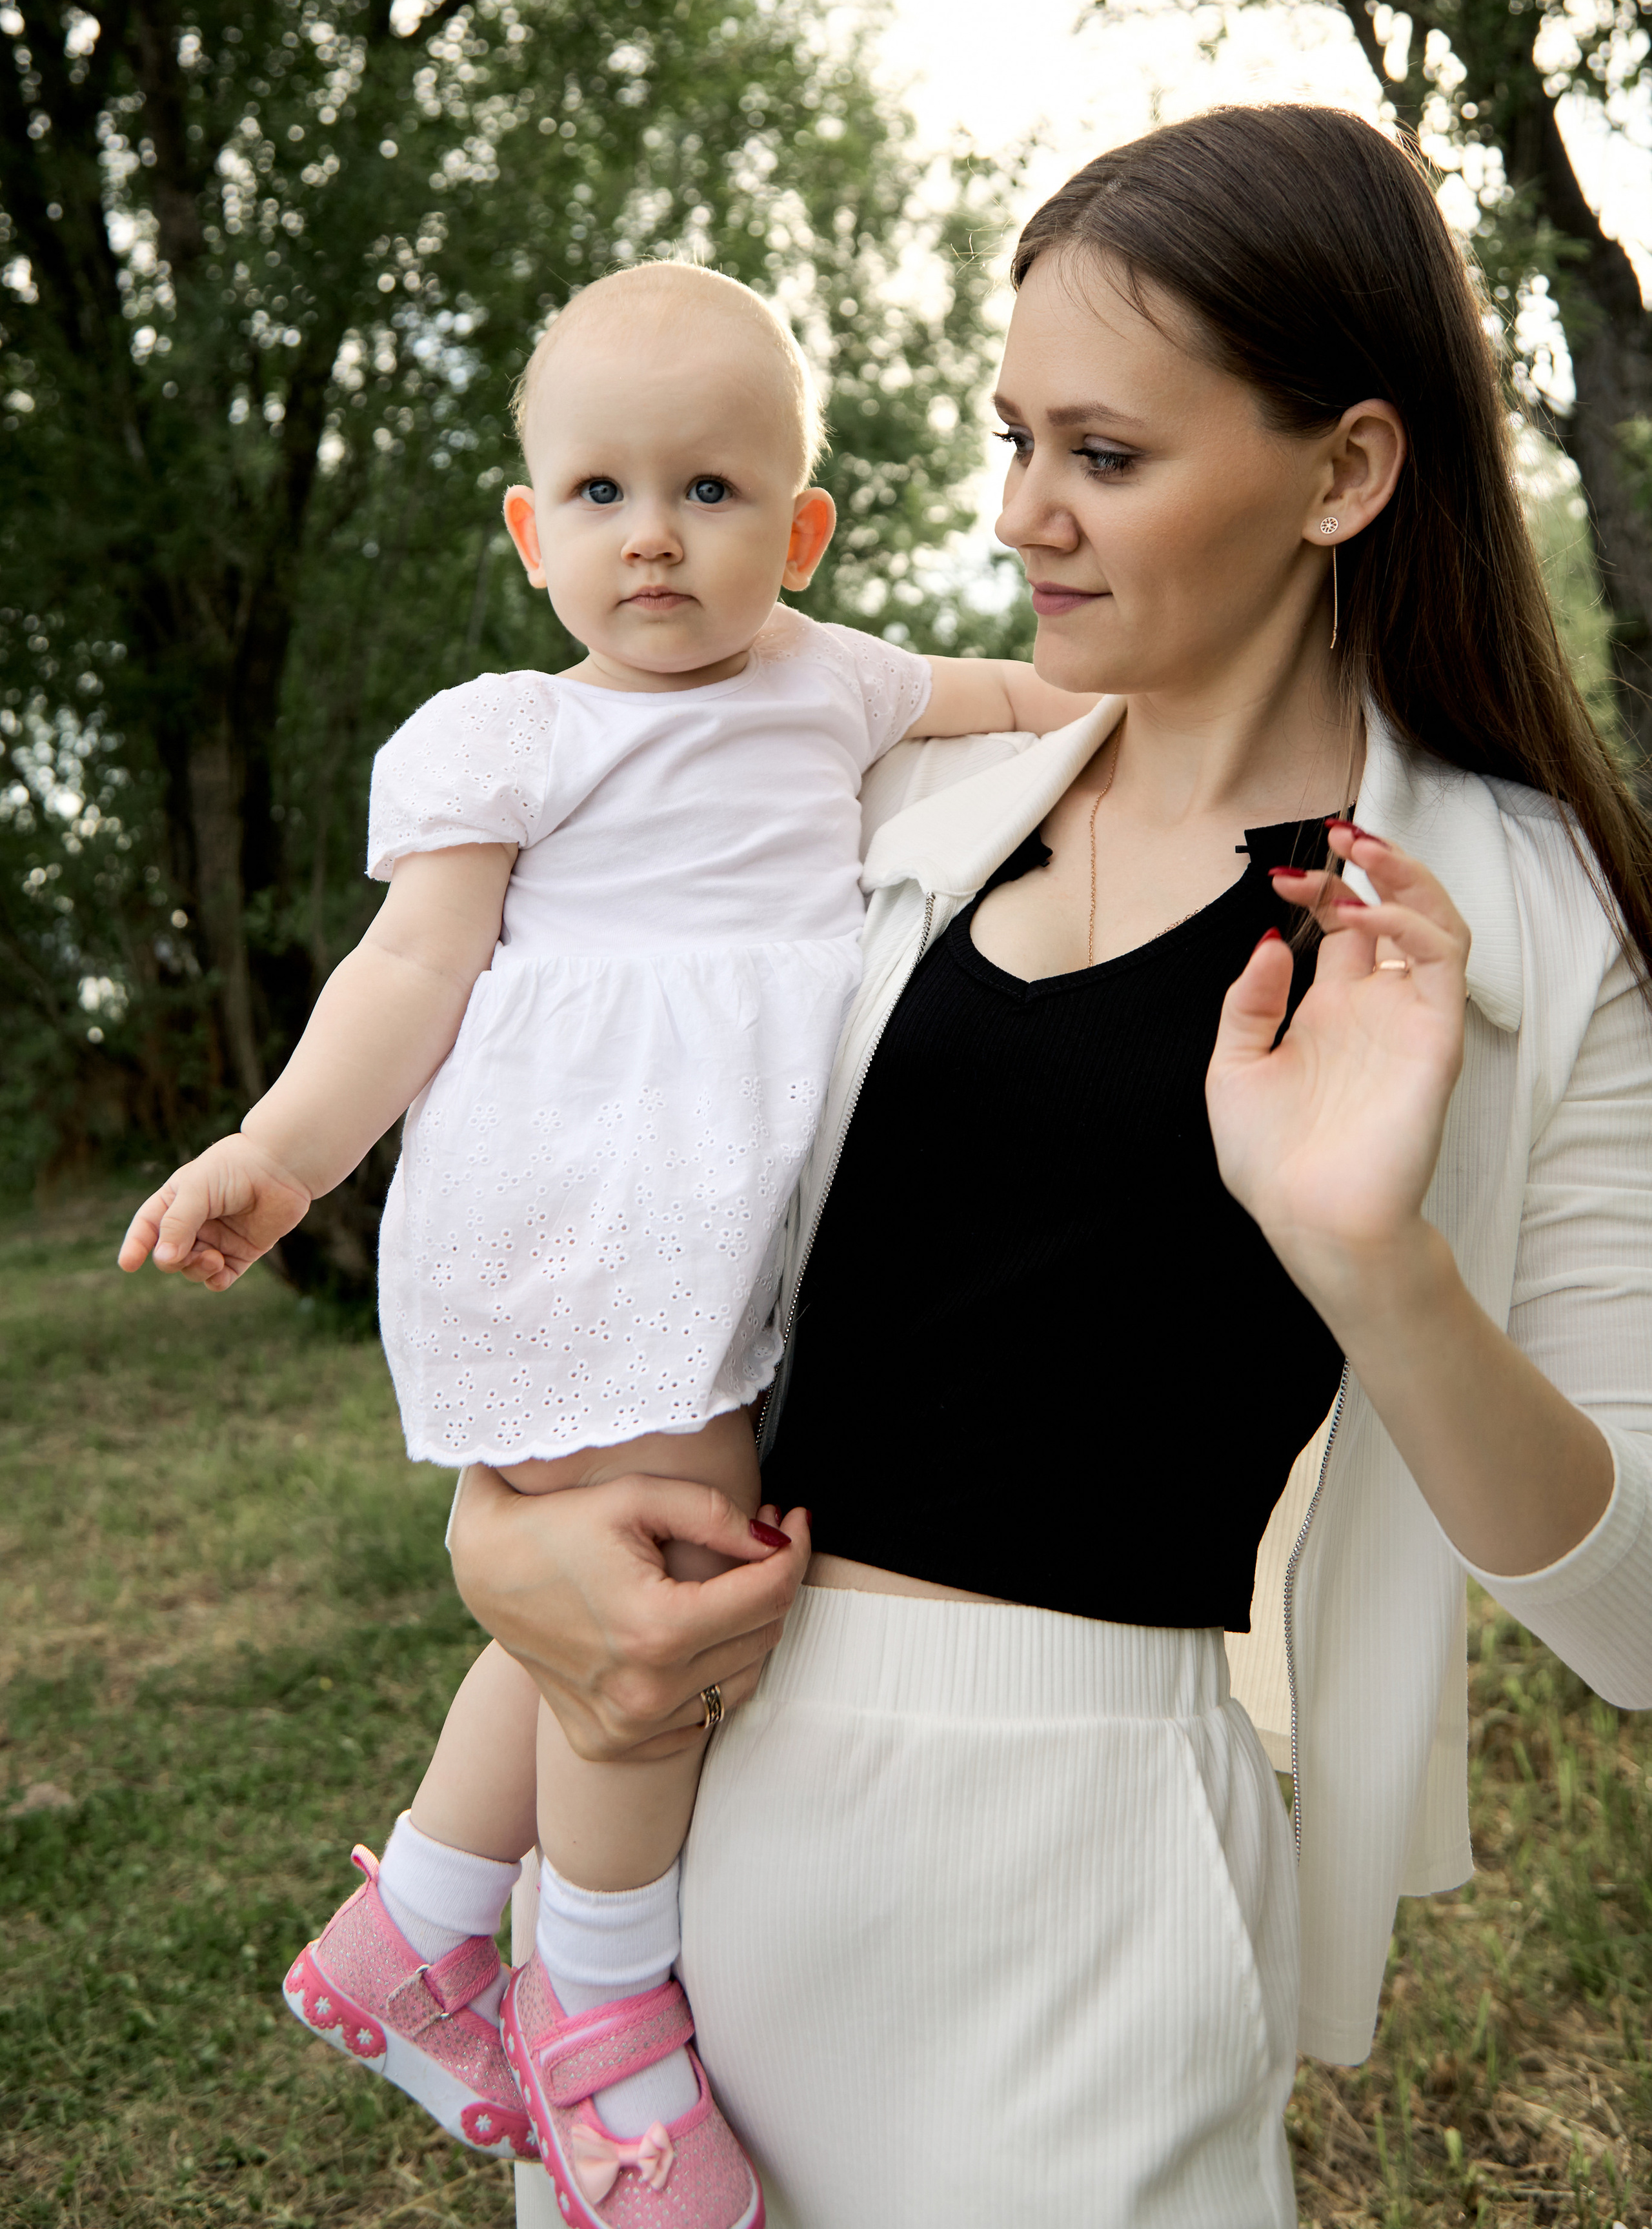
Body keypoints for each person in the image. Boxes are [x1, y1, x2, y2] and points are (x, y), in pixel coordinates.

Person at [444, 108, 1652, 2228]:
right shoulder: (889, 796)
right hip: (674, 1865)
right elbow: (606, 1199)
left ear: (1346, 471)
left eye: (1103, 454)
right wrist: (498, 1545)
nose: (1021, 516)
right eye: (1016, 440)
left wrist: (1377, 1266)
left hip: (1079, 1883)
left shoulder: (1531, 921)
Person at [117, 261, 1094, 2228]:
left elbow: (1049, 701)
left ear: (802, 530)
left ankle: (419, 1926)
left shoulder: (839, 681)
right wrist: (282, 1153)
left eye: (716, 493)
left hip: (722, 1217)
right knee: (666, 1592)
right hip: (578, 1208)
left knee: (598, 1599)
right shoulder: (506, 738)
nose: (656, 534)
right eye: (602, 495)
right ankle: (606, 2019)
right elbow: (411, 973)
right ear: (530, 530)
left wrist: (1239, 693)